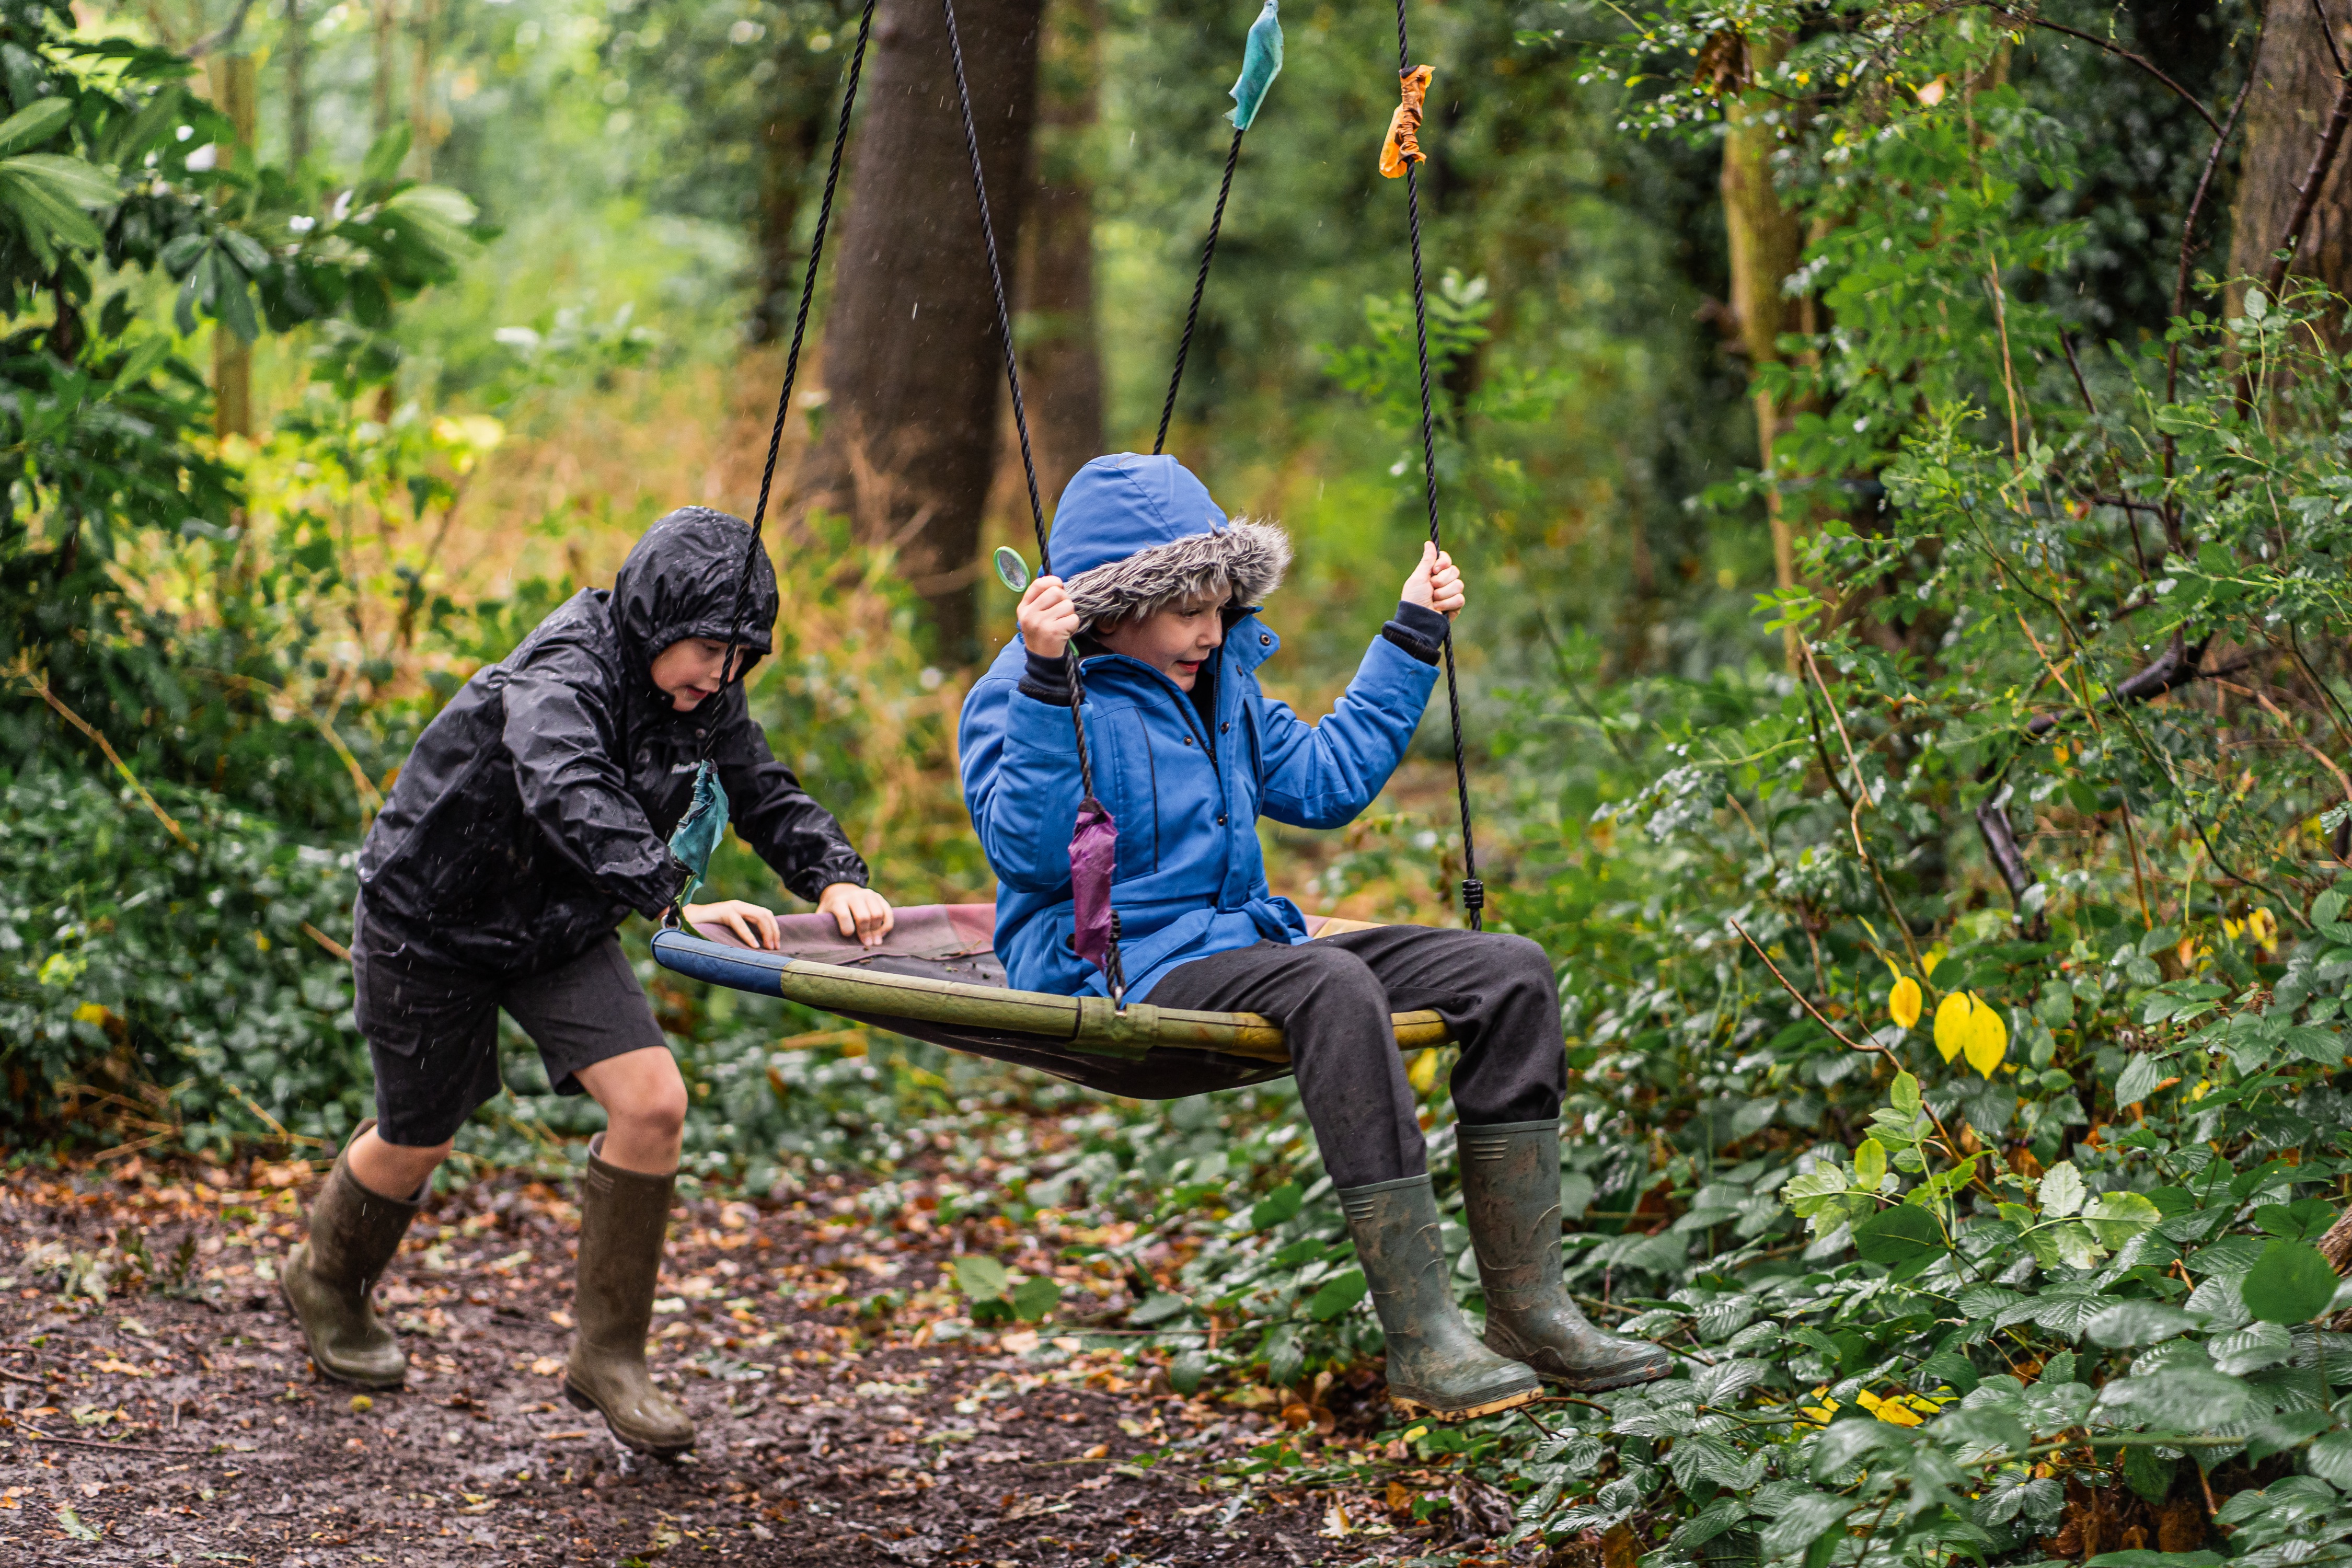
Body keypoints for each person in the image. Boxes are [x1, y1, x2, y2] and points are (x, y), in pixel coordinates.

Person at [960, 454, 1666, 1419]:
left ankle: (1530, 1309)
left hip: (1242, 942)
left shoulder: (1224, 688)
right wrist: (1047, 681)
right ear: (1110, 606)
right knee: (1331, 982)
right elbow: (1030, 853)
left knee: (1511, 973)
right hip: (1117, 966)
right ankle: (1423, 1337)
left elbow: (1328, 782)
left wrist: (1413, 632)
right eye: (1187, 610)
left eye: (1220, 605)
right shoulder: (1031, 694)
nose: (1211, 632)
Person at [281, 505, 894, 1458]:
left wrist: (835, 873)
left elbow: (762, 789)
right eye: (703, 651)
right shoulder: (564, 668)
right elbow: (565, 779)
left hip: (560, 923)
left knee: (653, 1103)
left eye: (739, 659)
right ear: (654, 623)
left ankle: (610, 1357)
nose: (718, 678)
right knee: (419, 1139)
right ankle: (326, 1277)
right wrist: (671, 898)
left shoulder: (706, 696)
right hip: (431, 920)